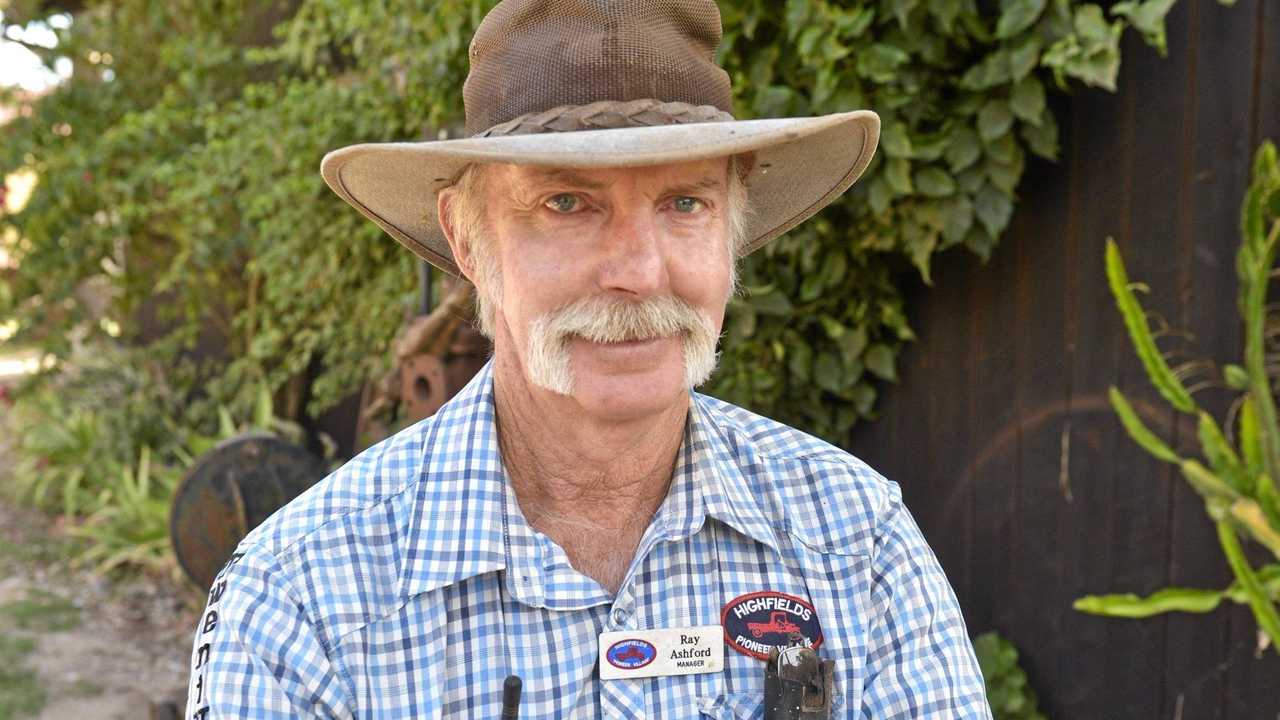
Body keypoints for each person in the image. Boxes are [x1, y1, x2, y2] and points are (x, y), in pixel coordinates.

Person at [184, 1, 991, 717]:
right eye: (566, 203)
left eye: (685, 203)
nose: (638, 273)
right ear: (469, 241)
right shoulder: (301, 597)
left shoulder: (855, 539)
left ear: (732, 230)